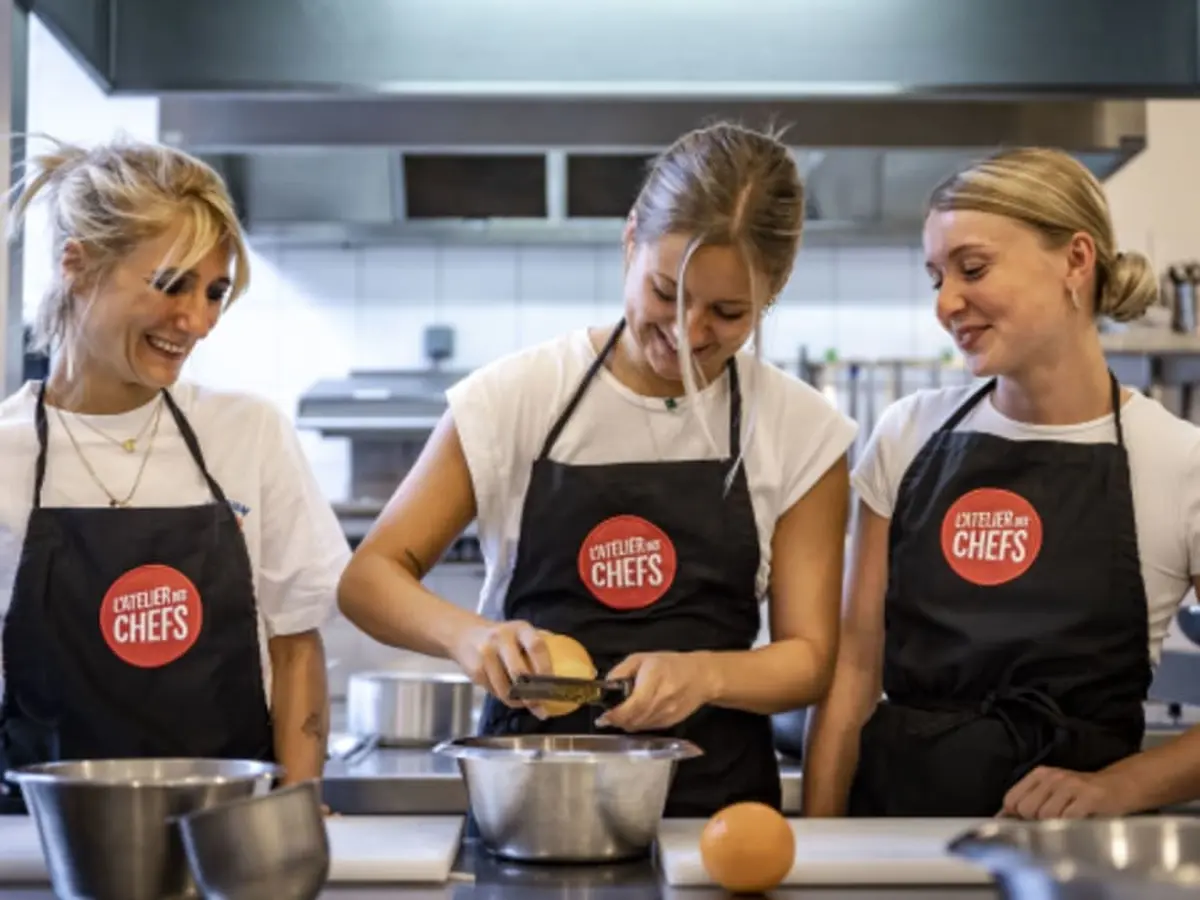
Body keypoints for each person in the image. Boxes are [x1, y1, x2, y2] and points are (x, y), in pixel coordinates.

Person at [337, 121, 855, 818]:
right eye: (665, 292)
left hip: (713, 820)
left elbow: (810, 659)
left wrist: (704, 675)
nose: (688, 331)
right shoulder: (517, 397)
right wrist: (472, 637)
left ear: (777, 287)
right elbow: (368, 580)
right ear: (630, 239)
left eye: (729, 313)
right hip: (532, 809)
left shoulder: (801, 431)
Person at [802, 146, 1200, 820]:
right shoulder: (908, 434)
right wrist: (817, 845)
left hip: (1076, 866)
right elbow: (854, 673)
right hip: (899, 841)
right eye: (936, 277)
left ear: (1076, 260)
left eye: (973, 268)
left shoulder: (1179, 463)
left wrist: (1122, 786)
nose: (946, 302)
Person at [0, 136, 349, 812]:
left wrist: (294, 809)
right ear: (79, 265)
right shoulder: (6, 457)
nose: (198, 321)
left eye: (215, 292)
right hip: (40, 845)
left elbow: (295, 643)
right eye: (172, 284)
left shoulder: (247, 434)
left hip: (220, 840)